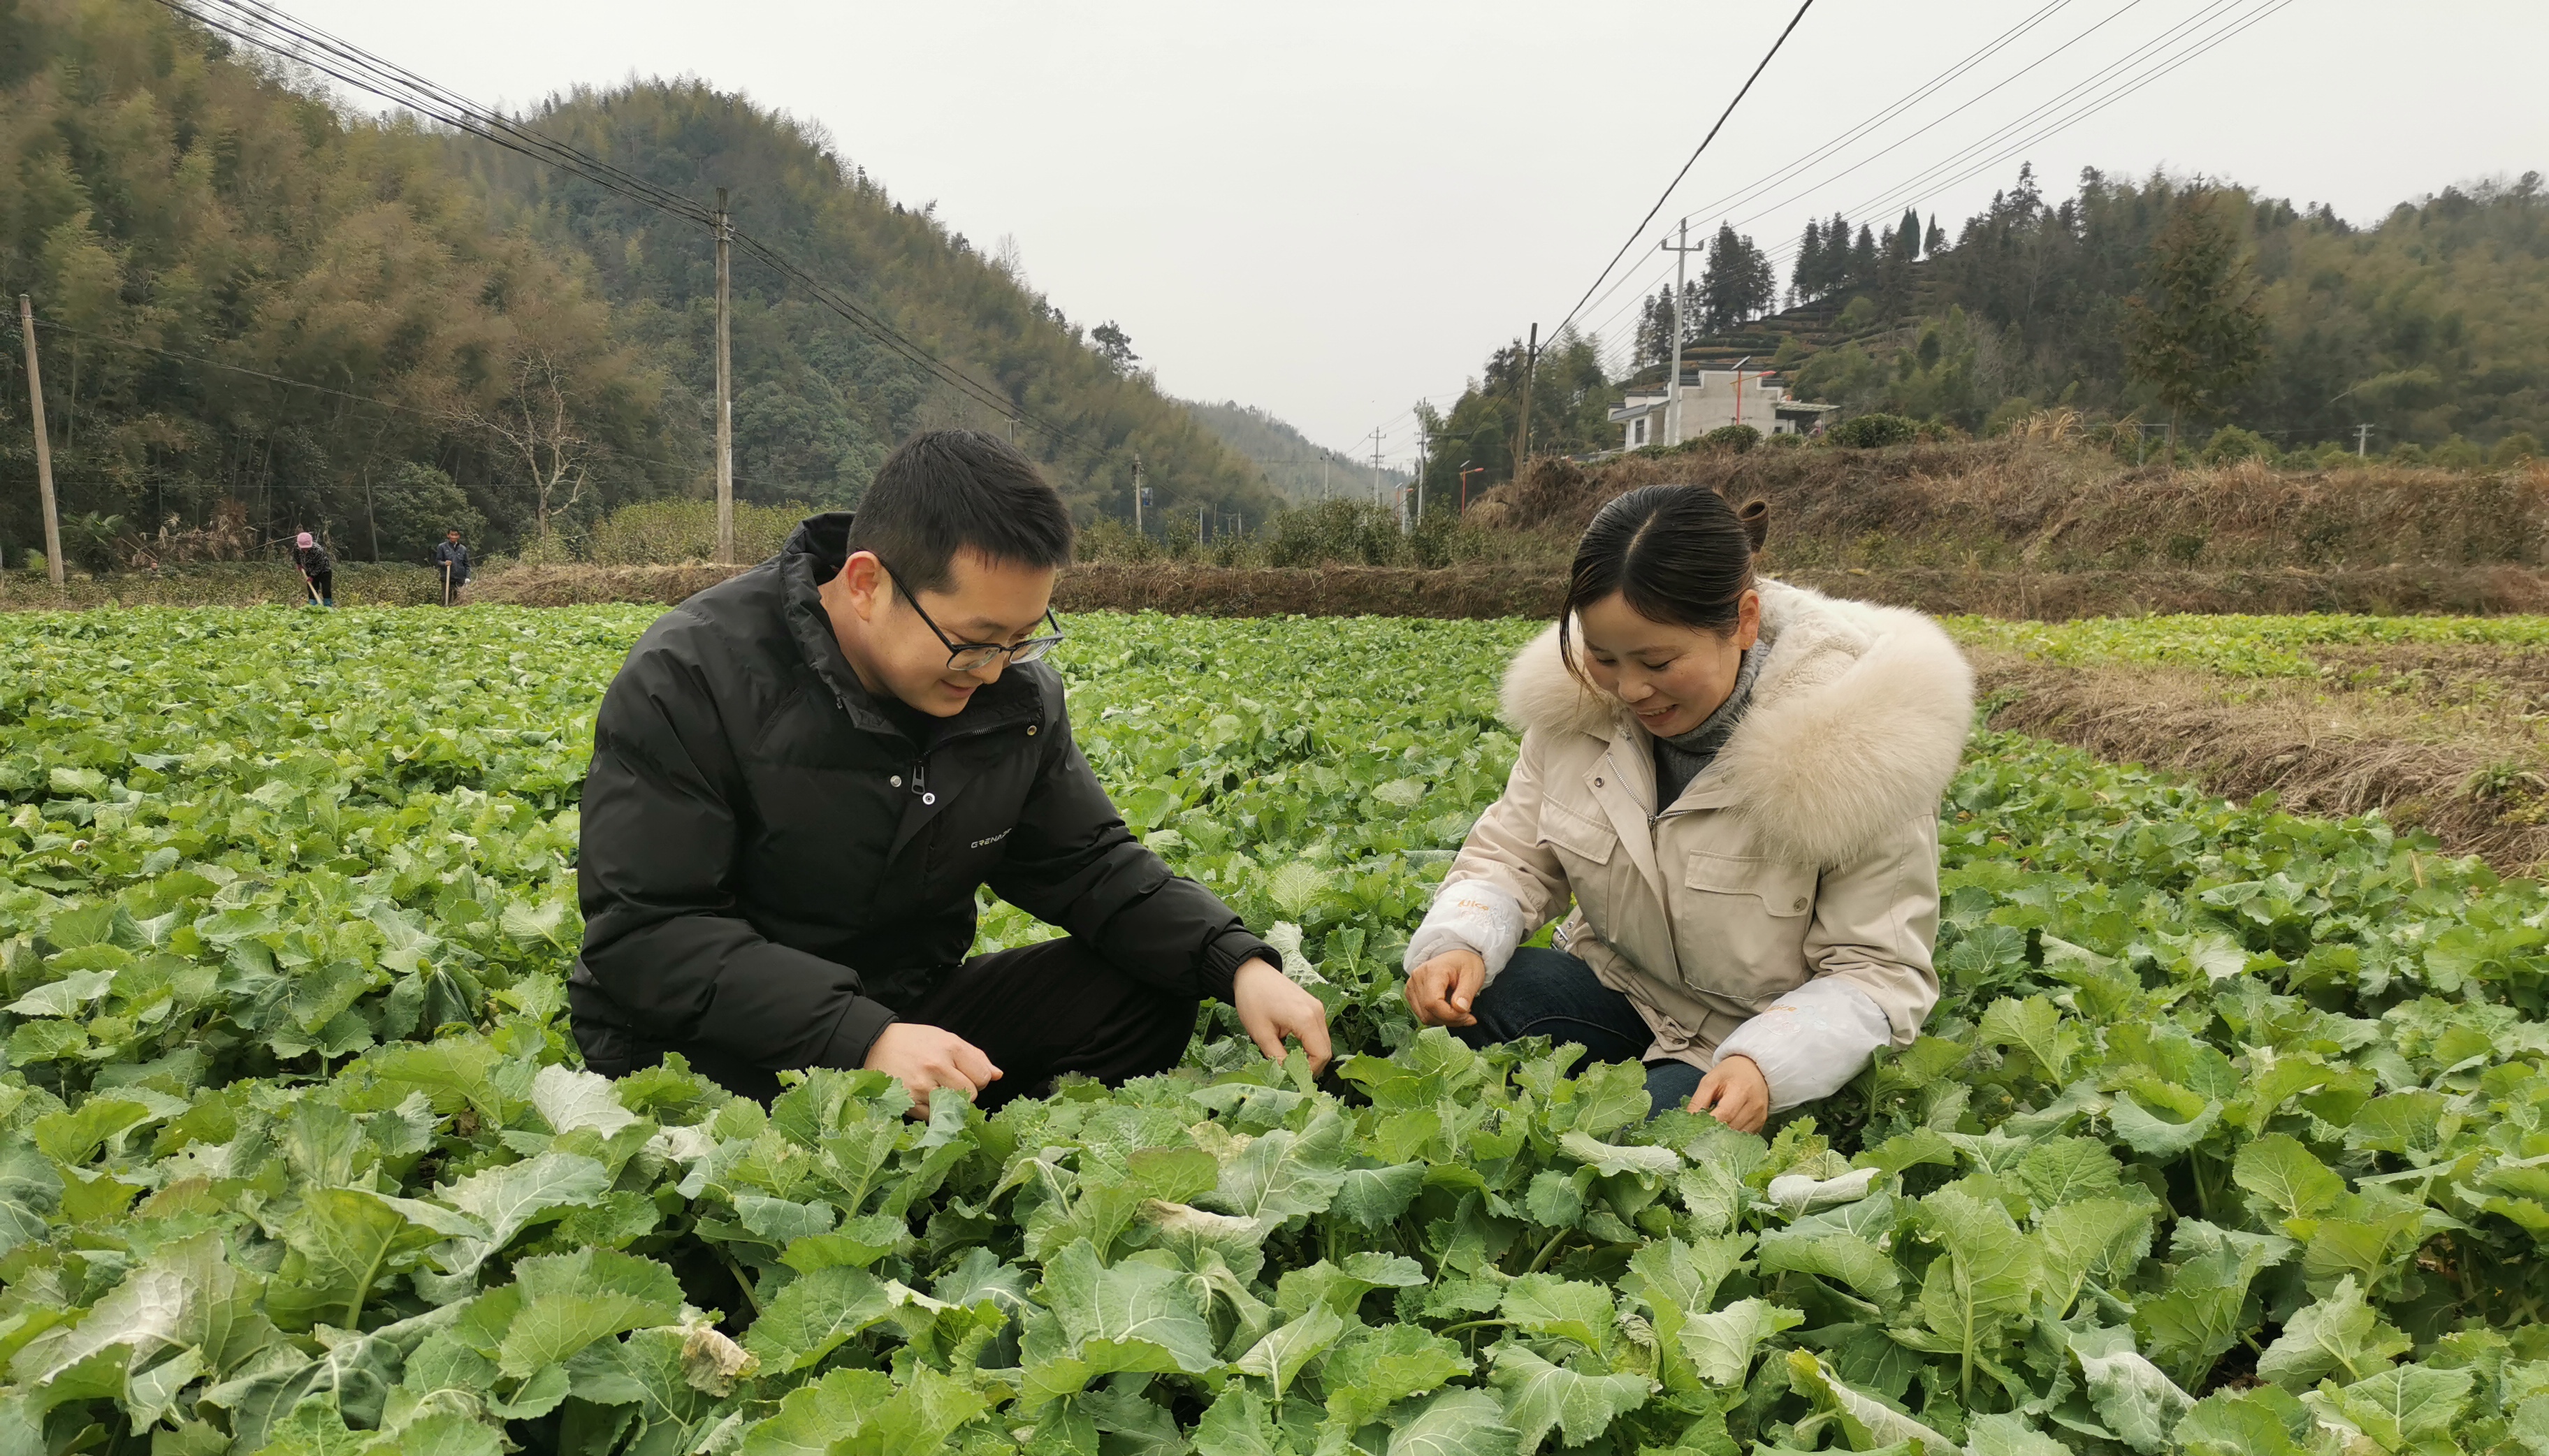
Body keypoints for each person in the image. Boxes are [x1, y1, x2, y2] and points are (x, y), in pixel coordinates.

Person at [572, 429, 1332, 1111]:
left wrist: (1236, 963)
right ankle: (918, 1179)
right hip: (710, 1044)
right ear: (867, 583)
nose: (998, 670)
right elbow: (650, 932)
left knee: (1149, 985)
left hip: (904, 1011)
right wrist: (857, 1037)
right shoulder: (691, 675)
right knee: (713, 1120)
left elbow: (1087, 862)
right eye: (976, 639)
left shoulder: (1007, 695)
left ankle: (986, 1178)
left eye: (1025, 639)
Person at [1402, 484, 1973, 1130]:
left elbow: (1878, 972)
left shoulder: (1862, 744)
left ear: (1745, 620)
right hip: (1623, 991)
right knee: (1474, 1002)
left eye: (1658, 660)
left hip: (1751, 1040)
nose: (1629, 689)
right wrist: (1462, 941)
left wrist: (1768, 1062)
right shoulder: (1576, 708)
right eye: (1605, 657)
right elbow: (1514, 856)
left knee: (1642, 1150)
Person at [292, 530, 333, 609]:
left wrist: (312, 576)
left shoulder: (318, 550)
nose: (305, 550)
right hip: (309, 570)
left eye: (307, 548)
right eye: (303, 548)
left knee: (326, 590)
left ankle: (328, 607)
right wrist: (299, 564)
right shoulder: (297, 547)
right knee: (312, 590)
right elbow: (296, 555)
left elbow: (320, 565)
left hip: (324, 571)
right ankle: (312, 607)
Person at [434, 529, 472, 603]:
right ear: (448, 535)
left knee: (459, 600)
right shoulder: (442, 547)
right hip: (447, 578)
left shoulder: (463, 549)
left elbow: (467, 565)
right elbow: (438, 562)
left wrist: (468, 577)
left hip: (460, 579)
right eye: (452, 535)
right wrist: (445, 563)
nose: (454, 537)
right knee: (446, 600)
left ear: (458, 536)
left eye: (455, 535)